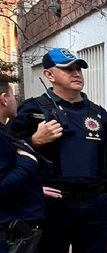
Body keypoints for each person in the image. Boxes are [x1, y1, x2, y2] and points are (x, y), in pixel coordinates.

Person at [11, 49, 107, 253]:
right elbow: (9, 154)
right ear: (49, 75)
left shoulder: (98, 114)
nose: (76, 73)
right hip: (53, 208)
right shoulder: (33, 111)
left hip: (95, 208)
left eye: (78, 68)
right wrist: (34, 141)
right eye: (67, 69)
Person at [1, 75, 44, 253]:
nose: (15, 100)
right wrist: (27, 163)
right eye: (12, 95)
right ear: (4, 99)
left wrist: (34, 188)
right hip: (7, 237)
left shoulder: (4, 132)